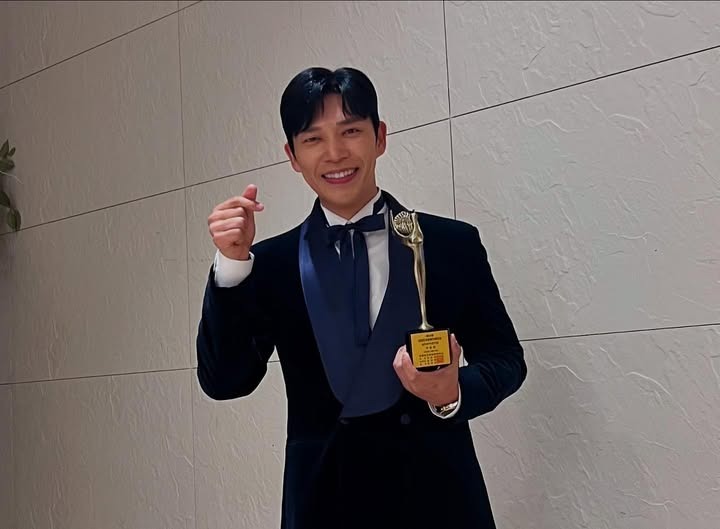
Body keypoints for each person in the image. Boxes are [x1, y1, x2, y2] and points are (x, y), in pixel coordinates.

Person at [196, 66, 527, 529]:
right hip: (323, 506)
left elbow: (506, 360)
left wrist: (452, 393)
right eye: (313, 139)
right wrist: (232, 266)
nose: (335, 153)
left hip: (440, 502)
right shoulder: (269, 263)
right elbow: (225, 381)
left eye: (350, 131)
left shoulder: (449, 244)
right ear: (292, 155)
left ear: (380, 137)